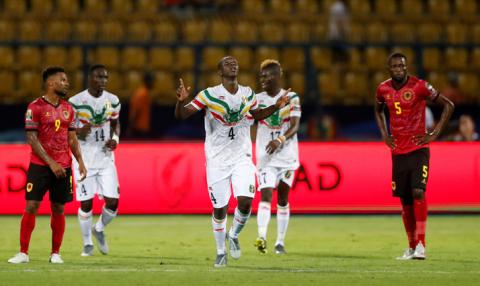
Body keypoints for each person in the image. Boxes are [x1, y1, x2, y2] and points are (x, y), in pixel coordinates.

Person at [175, 56, 290, 267]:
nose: (233, 64)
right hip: (217, 160)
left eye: (235, 62)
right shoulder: (209, 95)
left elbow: (257, 114)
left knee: (246, 201)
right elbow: (182, 115)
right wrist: (181, 100)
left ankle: (234, 235)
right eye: (227, 63)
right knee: (220, 209)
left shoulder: (248, 94)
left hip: (241, 157)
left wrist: (276, 106)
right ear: (220, 72)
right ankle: (220, 251)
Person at [374, 53, 454, 260]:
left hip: (418, 148)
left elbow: (448, 105)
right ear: (389, 68)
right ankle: (411, 247)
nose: (398, 68)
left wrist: (435, 133)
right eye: (394, 66)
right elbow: (378, 109)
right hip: (398, 151)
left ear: (406, 67)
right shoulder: (383, 89)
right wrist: (385, 135)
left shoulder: (419, 86)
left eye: (402, 65)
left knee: (418, 191)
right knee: (405, 200)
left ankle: (422, 245)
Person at [8, 66, 87, 264]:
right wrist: (51, 163)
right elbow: (32, 139)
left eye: (66, 80)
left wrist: (81, 162)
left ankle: (55, 253)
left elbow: (72, 139)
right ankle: (23, 253)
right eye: (63, 80)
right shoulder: (35, 107)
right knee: (32, 205)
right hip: (40, 166)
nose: (67, 83)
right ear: (50, 83)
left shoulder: (69, 109)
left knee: (58, 208)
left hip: (64, 166)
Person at [69, 64, 121, 256]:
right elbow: (66, 130)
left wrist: (115, 140)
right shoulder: (76, 102)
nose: (103, 81)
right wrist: (77, 132)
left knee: (113, 202)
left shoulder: (113, 100)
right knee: (86, 204)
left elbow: (116, 124)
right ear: (90, 78)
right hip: (83, 159)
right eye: (99, 78)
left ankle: (98, 229)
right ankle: (87, 243)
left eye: (106, 78)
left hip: (106, 158)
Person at [253, 60, 301, 255]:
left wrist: (280, 140)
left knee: (282, 197)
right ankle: (262, 236)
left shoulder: (292, 97)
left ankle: (279, 242)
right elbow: (254, 117)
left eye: (266, 75)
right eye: (261, 75)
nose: (262, 79)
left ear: (277, 76)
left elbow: (295, 125)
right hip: (266, 157)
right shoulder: (257, 99)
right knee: (265, 194)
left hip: (287, 156)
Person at [128, 72, 153, 139]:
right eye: (151, 81)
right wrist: (131, 127)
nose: (153, 83)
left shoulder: (145, 93)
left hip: (143, 127)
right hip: (139, 129)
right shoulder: (142, 94)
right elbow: (136, 111)